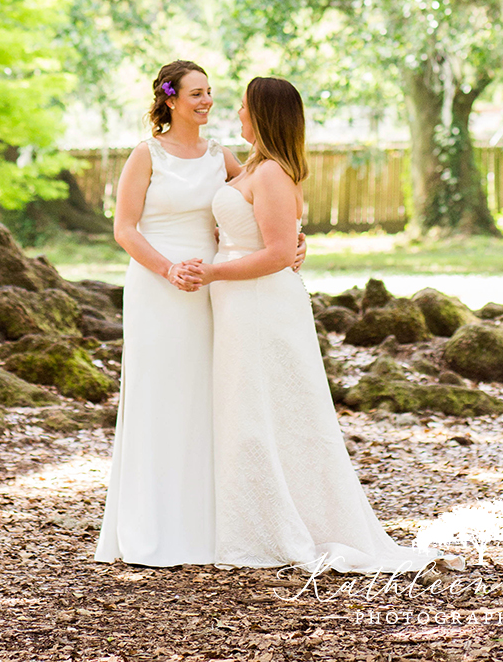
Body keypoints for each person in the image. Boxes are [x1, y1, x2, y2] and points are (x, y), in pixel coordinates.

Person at [190, 76, 441, 575]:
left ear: (261, 115)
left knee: (270, 410)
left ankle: (282, 525)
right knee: (249, 409)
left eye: (242, 107)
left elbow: (281, 253)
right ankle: (253, 518)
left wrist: (215, 269)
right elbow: (268, 236)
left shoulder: (274, 174)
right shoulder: (255, 167)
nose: (236, 114)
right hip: (239, 303)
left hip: (260, 304)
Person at [95, 61, 306, 568]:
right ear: (170, 100)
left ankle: (210, 523)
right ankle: (150, 525)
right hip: (158, 284)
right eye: (196, 93)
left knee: (208, 395)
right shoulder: (146, 155)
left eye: (211, 92)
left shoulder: (223, 156)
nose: (207, 101)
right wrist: (169, 270)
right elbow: (125, 230)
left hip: (214, 286)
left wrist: (300, 242)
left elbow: (269, 206)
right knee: (159, 394)